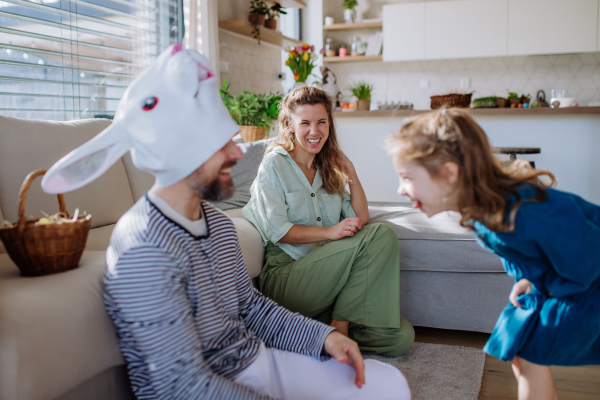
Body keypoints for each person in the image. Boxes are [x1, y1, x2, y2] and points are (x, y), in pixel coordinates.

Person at [41, 44, 411, 400]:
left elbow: (252, 308)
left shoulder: (216, 225)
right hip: (213, 385)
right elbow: (180, 387)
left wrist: (323, 338)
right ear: (179, 151)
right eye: (222, 144)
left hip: (256, 360)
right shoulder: (143, 246)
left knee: (391, 387)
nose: (237, 153)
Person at [386, 108, 600, 400]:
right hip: (575, 278)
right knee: (524, 353)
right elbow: (533, 253)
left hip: (589, 281)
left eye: (407, 177)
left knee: (529, 351)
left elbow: (586, 256)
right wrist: (526, 279)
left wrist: (546, 290)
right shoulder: (482, 214)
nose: (400, 189)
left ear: (449, 174)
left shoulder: (520, 212)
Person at [243, 86, 414, 357]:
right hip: (288, 277)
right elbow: (279, 230)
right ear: (289, 124)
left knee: (400, 338)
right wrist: (330, 231)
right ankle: (340, 325)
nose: (315, 131)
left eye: (321, 122)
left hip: (328, 281)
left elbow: (360, 217)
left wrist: (351, 172)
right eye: (305, 123)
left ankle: (316, 330)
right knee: (381, 235)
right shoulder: (274, 165)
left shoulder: (327, 170)